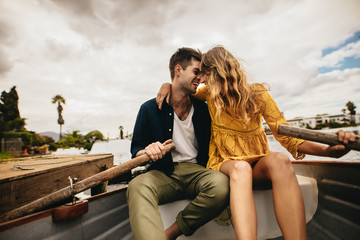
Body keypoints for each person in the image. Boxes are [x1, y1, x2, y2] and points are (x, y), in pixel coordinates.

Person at [157, 46, 359, 240]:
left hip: (257, 164)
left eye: (205, 75)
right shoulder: (207, 94)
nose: (201, 80)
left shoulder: (258, 95)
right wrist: (166, 85)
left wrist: (329, 151)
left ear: (216, 73)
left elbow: (289, 138)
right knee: (241, 168)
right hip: (226, 164)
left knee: (279, 159)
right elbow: (181, 91)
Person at [127, 47, 230, 240]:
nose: (200, 78)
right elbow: (136, 151)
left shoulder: (203, 108)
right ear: (178, 70)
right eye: (196, 72)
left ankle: (171, 233)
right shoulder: (148, 109)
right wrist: (148, 151)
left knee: (221, 185)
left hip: (197, 171)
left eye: (202, 74)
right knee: (137, 186)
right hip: (162, 173)